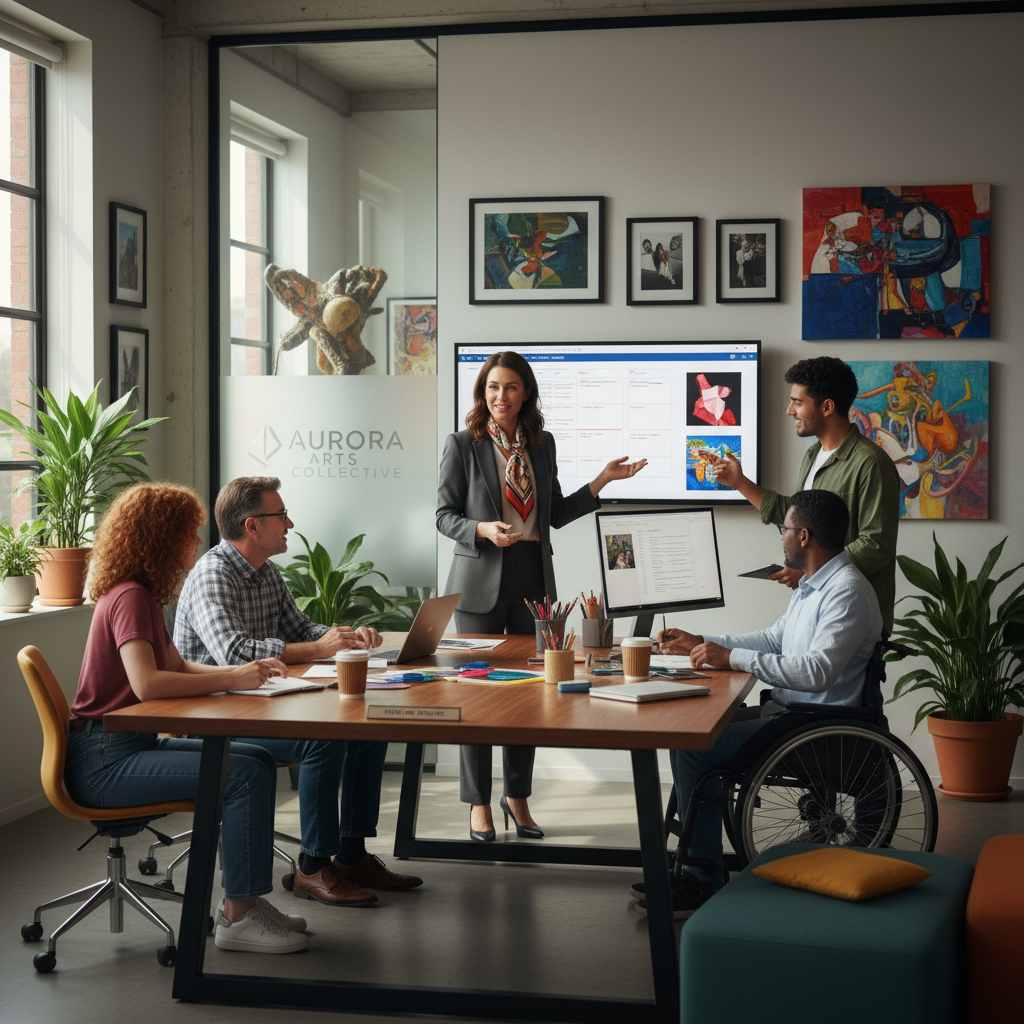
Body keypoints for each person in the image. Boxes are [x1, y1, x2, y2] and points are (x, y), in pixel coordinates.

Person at [64, 482, 308, 954]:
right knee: (242, 775)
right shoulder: (130, 597)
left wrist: (234, 674)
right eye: (187, 533)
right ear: (160, 537)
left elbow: (175, 666)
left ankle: (246, 904)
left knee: (253, 761)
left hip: (126, 746)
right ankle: (238, 918)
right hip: (103, 762)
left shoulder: (143, 596)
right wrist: (232, 679)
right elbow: (148, 684)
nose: (196, 543)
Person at [174, 476, 422, 907]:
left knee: (367, 727)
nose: (290, 523)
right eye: (281, 515)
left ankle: (350, 854)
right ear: (252, 526)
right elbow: (233, 653)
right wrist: (316, 648)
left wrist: (344, 637)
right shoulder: (213, 574)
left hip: (260, 702)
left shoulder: (265, 571)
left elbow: (301, 629)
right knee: (321, 738)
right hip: (214, 714)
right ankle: (311, 867)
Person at [634, 489, 883, 920]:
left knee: (698, 747)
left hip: (815, 725)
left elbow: (816, 671)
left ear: (803, 536)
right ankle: (696, 864)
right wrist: (706, 643)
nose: (780, 537)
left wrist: (729, 658)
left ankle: (702, 875)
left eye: (784, 529)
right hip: (792, 714)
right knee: (692, 730)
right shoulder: (814, 585)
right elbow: (773, 640)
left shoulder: (846, 592)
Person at [436, 350, 647, 842]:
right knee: (478, 698)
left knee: (527, 697)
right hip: (480, 582)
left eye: (509, 387)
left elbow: (554, 514)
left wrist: (602, 482)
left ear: (525, 391)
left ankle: (517, 797)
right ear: (481, 394)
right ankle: (478, 805)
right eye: (491, 388)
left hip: (533, 578)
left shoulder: (542, 443)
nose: (500, 397)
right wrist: (482, 529)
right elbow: (444, 515)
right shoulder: (463, 444)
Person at [708, 356, 900, 633]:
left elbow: (876, 544)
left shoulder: (872, 464)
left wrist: (813, 572)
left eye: (798, 402)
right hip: (815, 609)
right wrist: (739, 482)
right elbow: (797, 517)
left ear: (827, 407)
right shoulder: (813, 455)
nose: (789, 410)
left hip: (852, 617)